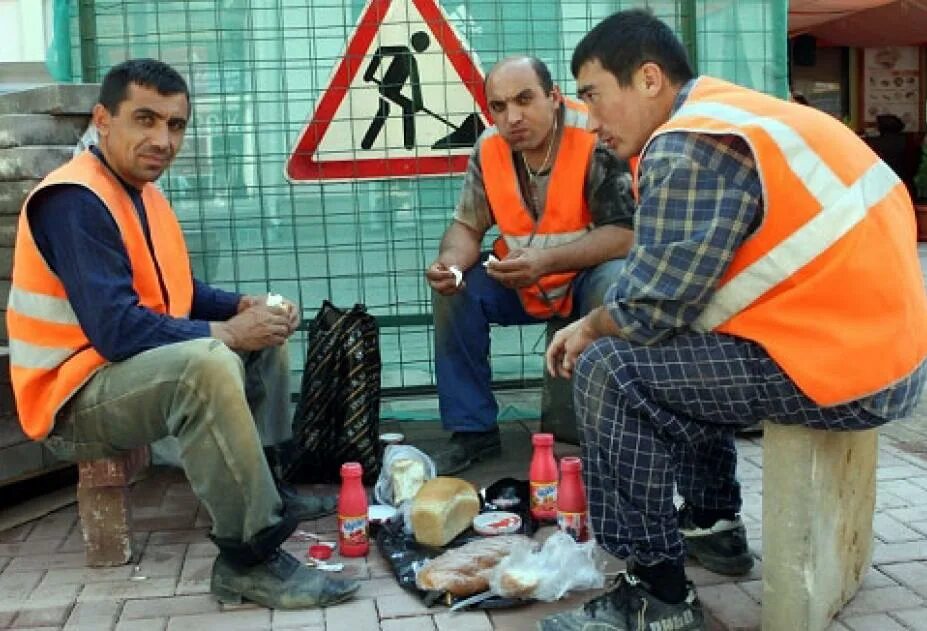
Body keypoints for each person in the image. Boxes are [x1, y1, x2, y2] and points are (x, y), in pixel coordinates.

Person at [541, 9, 927, 630]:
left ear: (647, 79)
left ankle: (657, 596)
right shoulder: (733, 116)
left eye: (592, 94)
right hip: (879, 355)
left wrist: (587, 327)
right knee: (680, 343)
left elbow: (649, 307)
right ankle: (711, 525)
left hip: (844, 368)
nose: (589, 117)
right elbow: (682, 301)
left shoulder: (688, 141)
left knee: (611, 367)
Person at [6, 59, 359, 610]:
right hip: (70, 401)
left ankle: (269, 489)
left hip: (119, 378)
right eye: (145, 119)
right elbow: (118, 329)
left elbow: (174, 289)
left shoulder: (139, 191)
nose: (162, 139)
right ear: (103, 119)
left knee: (258, 333)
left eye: (175, 125)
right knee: (209, 363)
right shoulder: (75, 200)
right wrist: (226, 330)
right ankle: (250, 559)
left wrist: (243, 307)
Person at [424, 55, 636, 475]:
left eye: (525, 100)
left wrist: (548, 261)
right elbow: (467, 226)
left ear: (554, 98)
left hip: (584, 275)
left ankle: (604, 431)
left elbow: (625, 234)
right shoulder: (489, 148)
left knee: (614, 282)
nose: (512, 117)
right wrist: (450, 265)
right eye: (499, 107)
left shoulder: (593, 138)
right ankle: (473, 432)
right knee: (457, 292)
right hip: (523, 278)